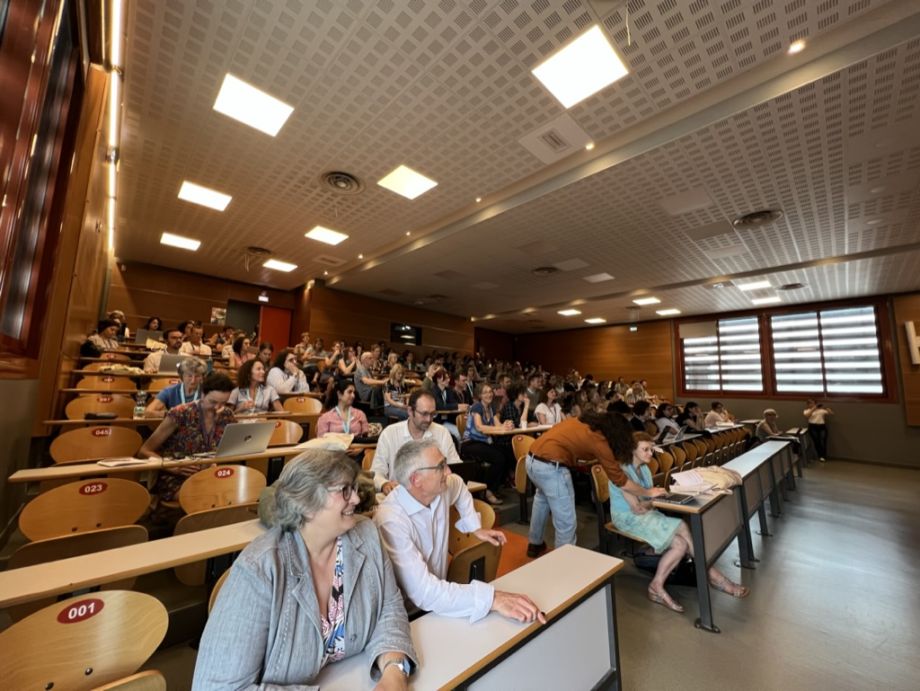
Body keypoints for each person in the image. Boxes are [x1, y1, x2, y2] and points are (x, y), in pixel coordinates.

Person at [193, 450, 416, 690]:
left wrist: (395, 670)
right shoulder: (259, 569)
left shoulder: (366, 534)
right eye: (344, 490)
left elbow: (389, 608)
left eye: (353, 488)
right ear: (307, 504)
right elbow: (217, 687)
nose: (356, 499)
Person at [375, 439, 546, 625]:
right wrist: (493, 599)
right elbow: (424, 593)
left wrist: (475, 528)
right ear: (416, 479)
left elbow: (459, 487)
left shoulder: (440, 488)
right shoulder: (391, 520)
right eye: (441, 466)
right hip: (407, 617)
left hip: (440, 599)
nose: (448, 471)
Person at [610, 433, 749, 612]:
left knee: (681, 544)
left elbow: (647, 499)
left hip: (647, 513)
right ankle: (714, 576)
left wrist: (661, 496)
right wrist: (655, 499)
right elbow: (637, 508)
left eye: (652, 448)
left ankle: (656, 586)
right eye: (645, 449)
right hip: (627, 517)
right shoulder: (620, 472)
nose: (651, 453)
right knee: (682, 526)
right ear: (631, 450)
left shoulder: (644, 469)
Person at [525, 412, 666, 558]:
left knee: (541, 502)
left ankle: (535, 544)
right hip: (552, 468)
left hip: (531, 459)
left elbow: (576, 445)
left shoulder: (582, 420)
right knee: (566, 522)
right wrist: (648, 492)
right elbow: (621, 481)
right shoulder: (600, 441)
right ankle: (563, 563)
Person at [138, 373, 236, 515]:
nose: (218, 408)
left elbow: (233, 447)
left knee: (237, 493)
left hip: (210, 474)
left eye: (223, 403)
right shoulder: (180, 413)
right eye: (213, 402)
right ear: (202, 393)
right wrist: (173, 466)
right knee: (209, 499)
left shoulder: (226, 414)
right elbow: (144, 451)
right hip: (175, 477)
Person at [371, 390, 461, 495]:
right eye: (424, 414)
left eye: (433, 414)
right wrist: (384, 484)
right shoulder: (389, 434)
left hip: (433, 496)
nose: (429, 419)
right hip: (399, 495)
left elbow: (455, 468)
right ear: (410, 411)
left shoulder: (442, 433)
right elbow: (376, 472)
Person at [461, 383, 512, 506]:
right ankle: (488, 490)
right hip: (470, 443)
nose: (489, 394)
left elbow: (498, 425)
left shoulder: (490, 408)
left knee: (508, 452)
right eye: (485, 392)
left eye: (490, 391)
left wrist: (507, 425)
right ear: (479, 395)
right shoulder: (477, 407)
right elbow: (479, 427)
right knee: (498, 457)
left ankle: (495, 487)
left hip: (483, 443)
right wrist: (499, 429)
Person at [431, 368, 467, 443]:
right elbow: (440, 406)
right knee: (459, 434)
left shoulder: (449, 390)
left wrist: (456, 406)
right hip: (438, 421)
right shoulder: (433, 391)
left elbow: (453, 403)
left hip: (449, 420)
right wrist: (457, 406)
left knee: (466, 433)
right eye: (446, 378)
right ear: (438, 379)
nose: (448, 380)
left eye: (448, 378)